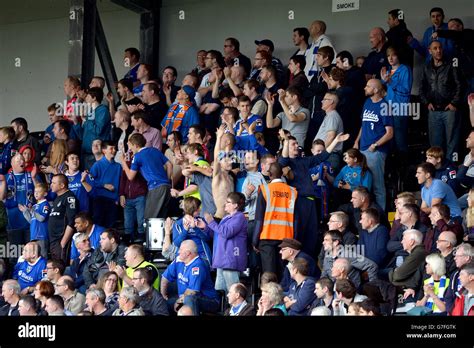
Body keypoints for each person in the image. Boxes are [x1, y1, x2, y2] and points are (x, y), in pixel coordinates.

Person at [278, 130, 348, 256]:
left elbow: (322, 156)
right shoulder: (286, 162)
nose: (297, 146)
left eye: (296, 143)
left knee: (312, 235)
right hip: (299, 201)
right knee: (298, 234)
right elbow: (282, 160)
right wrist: (286, 141)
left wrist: (336, 141)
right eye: (293, 144)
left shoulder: (303, 161)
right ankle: (295, 263)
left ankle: (308, 264)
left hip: (312, 201)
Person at [353, 79, 393, 210]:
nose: (365, 88)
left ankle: (380, 216)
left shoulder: (385, 106)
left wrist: (375, 145)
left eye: (368, 86)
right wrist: (356, 141)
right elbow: (363, 125)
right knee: (363, 185)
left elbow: (389, 133)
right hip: (363, 148)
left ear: (376, 90)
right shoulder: (367, 102)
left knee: (377, 186)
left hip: (376, 152)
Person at [253, 163, 297, 278]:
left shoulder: (264, 189)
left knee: (269, 274)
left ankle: (271, 295)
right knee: (284, 274)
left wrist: (254, 241)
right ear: (282, 174)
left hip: (267, 237)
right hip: (287, 238)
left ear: (270, 174)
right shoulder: (292, 192)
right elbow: (296, 219)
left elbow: (259, 219)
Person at [419, 41, 462, 161]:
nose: (438, 50)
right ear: (430, 51)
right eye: (435, 48)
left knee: (452, 143)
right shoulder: (426, 67)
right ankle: (436, 171)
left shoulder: (451, 65)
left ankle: (450, 171)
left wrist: (454, 103)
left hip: (449, 110)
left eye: (440, 48)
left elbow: (460, 85)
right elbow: (421, 87)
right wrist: (426, 102)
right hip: (434, 111)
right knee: (435, 144)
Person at [161, 240, 220, 315]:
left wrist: (178, 302)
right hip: (183, 298)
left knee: (189, 299)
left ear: (188, 253)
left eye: (181, 250)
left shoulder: (198, 265)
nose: (178, 252)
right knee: (164, 304)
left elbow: (192, 292)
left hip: (210, 301)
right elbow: (165, 278)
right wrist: (163, 296)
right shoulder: (179, 260)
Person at [120, 133, 172, 219]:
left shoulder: (137, 156)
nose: (130, 149)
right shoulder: (155, 150)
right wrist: (167, 180)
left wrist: (123, 162)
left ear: (136, 145)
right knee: (161, 218)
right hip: (167, 187)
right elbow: (169, 165)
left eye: (130, 146)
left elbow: (130, 177)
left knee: (149, 220)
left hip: (155, 188)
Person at [205, 192, 247, 293]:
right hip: (222, 260)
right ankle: (225, 309)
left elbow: (227, 232)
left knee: (233, 292)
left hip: (230, 260)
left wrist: (211, 222)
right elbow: (218, 233)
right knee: (221, 291)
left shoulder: (239, 217)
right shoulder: (226, 218)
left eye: (228, 202)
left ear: (235, 205)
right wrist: (205, 226)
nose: (225, 204)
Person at [0, 153, 37, 250]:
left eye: (22, 160)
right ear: (12, 164)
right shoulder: (5, 177)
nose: (22, 161)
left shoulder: (32, 175)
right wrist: (3, 183)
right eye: (18, 160)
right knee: (15, 255)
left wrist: (34, 178)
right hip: (13, 222)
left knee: (32, 253)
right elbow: (1, 198)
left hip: (30, 222)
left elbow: (42, 192)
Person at [381, 46, 413, 153]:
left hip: (400, 109)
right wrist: (382, 82)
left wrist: (390, 82)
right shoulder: (388, 71)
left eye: (393, 55)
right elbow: (386, 91)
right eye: (388, 56)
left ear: (398, 56)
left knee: (400, 141)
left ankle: (404, 167)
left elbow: (405, 90)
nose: (390, 58)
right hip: (387, 108)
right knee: (390, 140)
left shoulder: (405, 69)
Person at [163, 197, 212, 264]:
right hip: (186, 258)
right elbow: (176, 243)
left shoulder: (201, 221)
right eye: (198, 208)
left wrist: (195, 228)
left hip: (202, 257)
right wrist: (185, 231)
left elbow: (207, 239)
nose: (200, 210)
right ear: (192, 209)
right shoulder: (178, 224)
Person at [73, 87, 111, 170]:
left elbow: (98, 131)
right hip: (85, 154)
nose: (86, 98)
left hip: (96, 155)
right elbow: (82, 136)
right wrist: (76, 123)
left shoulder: (103, 110)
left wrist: (87, 119)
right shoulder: (90, 112)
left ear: (94, 98)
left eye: (88, 96)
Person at [85, 141, 121, 228]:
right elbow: (89, 181)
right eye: (111, 148)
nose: (114, 150)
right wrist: (104, 185)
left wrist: (118, 197)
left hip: (113, 200)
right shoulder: (97, 165)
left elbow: (121, 183)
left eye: (115, 148)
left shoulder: (118, 166)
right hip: (100, 199)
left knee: (111, 226)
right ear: (104, 150)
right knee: (99, 225)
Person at [48, 174, 78, 262]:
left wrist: (63, 242)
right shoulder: (57, 198)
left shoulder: (69, 197)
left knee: (60, 266)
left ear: (62, 185)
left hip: (61, 240)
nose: (51, 185)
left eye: (54, 183)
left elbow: (71, 221)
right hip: (54, 240)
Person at [18, 183, 50, 258]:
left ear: (45, 193)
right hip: (34, 235)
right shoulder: (35, 206)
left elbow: (42, 218)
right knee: (35, 257)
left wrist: (32, 211)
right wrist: (25, 211)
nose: (36, 194)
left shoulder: (45, 204)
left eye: (39, 192)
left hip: (41, 236)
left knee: (43, 257)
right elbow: (31, 221)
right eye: (35, 192)